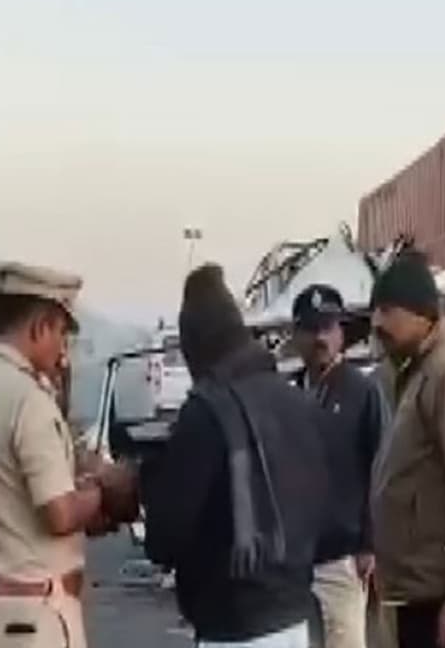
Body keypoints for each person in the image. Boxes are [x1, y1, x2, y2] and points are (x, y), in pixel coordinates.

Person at [141, 263, 332, 648]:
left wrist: (145, 481)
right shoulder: (299, 404)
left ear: (196, 347)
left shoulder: (207, 412)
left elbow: (164, 539)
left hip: (236, 626)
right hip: (299, 620)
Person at [0, 263, 130, 648]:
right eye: (61, 333)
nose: (63, 348)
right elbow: (58, 513)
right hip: (29, 615)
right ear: (39, 327)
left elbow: (6, 491)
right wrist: (104, 490)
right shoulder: (28, 401)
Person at [368, 251, 445, 648]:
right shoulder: (416, 372)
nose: (376, 324)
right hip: (419, 587)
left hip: (442, 593)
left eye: (387, 311)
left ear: (421, 314)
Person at [289, 284, 389, 648]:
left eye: (328, 328)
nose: (320, 338)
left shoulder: (362, 392)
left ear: (341, 333)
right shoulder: (287, 394)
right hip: (294, 558)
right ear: (295, 335)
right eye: (311, 328)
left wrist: (370, 544)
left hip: (343, 556)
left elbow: (381, 468)